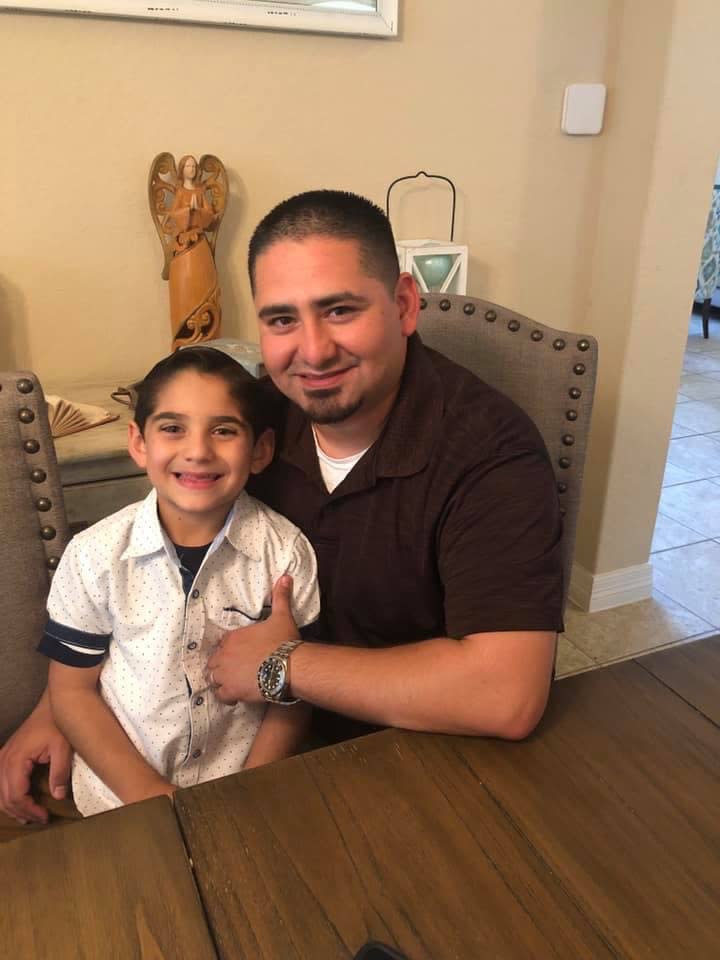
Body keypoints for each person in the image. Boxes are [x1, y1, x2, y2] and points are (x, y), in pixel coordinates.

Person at [0, 190, 562, 825]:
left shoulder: (491, 454)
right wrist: (58, 703)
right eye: (282, 320)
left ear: (404, 304)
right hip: (249, 755)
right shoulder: (257, 419)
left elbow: (505, 698)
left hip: (419, 759)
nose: (314, 351)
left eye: (340, 309)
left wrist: (280, 667)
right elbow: (154, 553)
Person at [38, 347, 319, 816]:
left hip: (244, 794)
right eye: (172, 428)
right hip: (118, 799)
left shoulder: (286, 556)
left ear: (260, 450)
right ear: (139, 443)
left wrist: (249, 794)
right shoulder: (94, 556)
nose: (197, 451)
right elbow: (71, 692)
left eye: (224, 431)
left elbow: (294, 697)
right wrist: (150, 797)